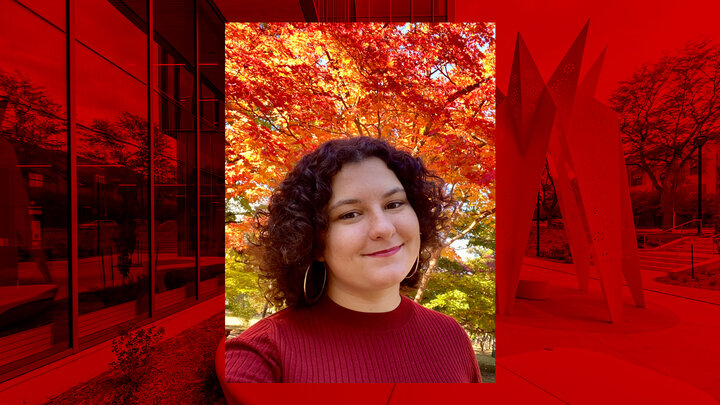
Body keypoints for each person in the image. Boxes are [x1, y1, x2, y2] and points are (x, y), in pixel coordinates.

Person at [225, 136, 482, 383]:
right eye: (350, 214)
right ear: (313, 243)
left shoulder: (452, 338)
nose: (384, 228)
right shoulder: (259, 357)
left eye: (394, 204)